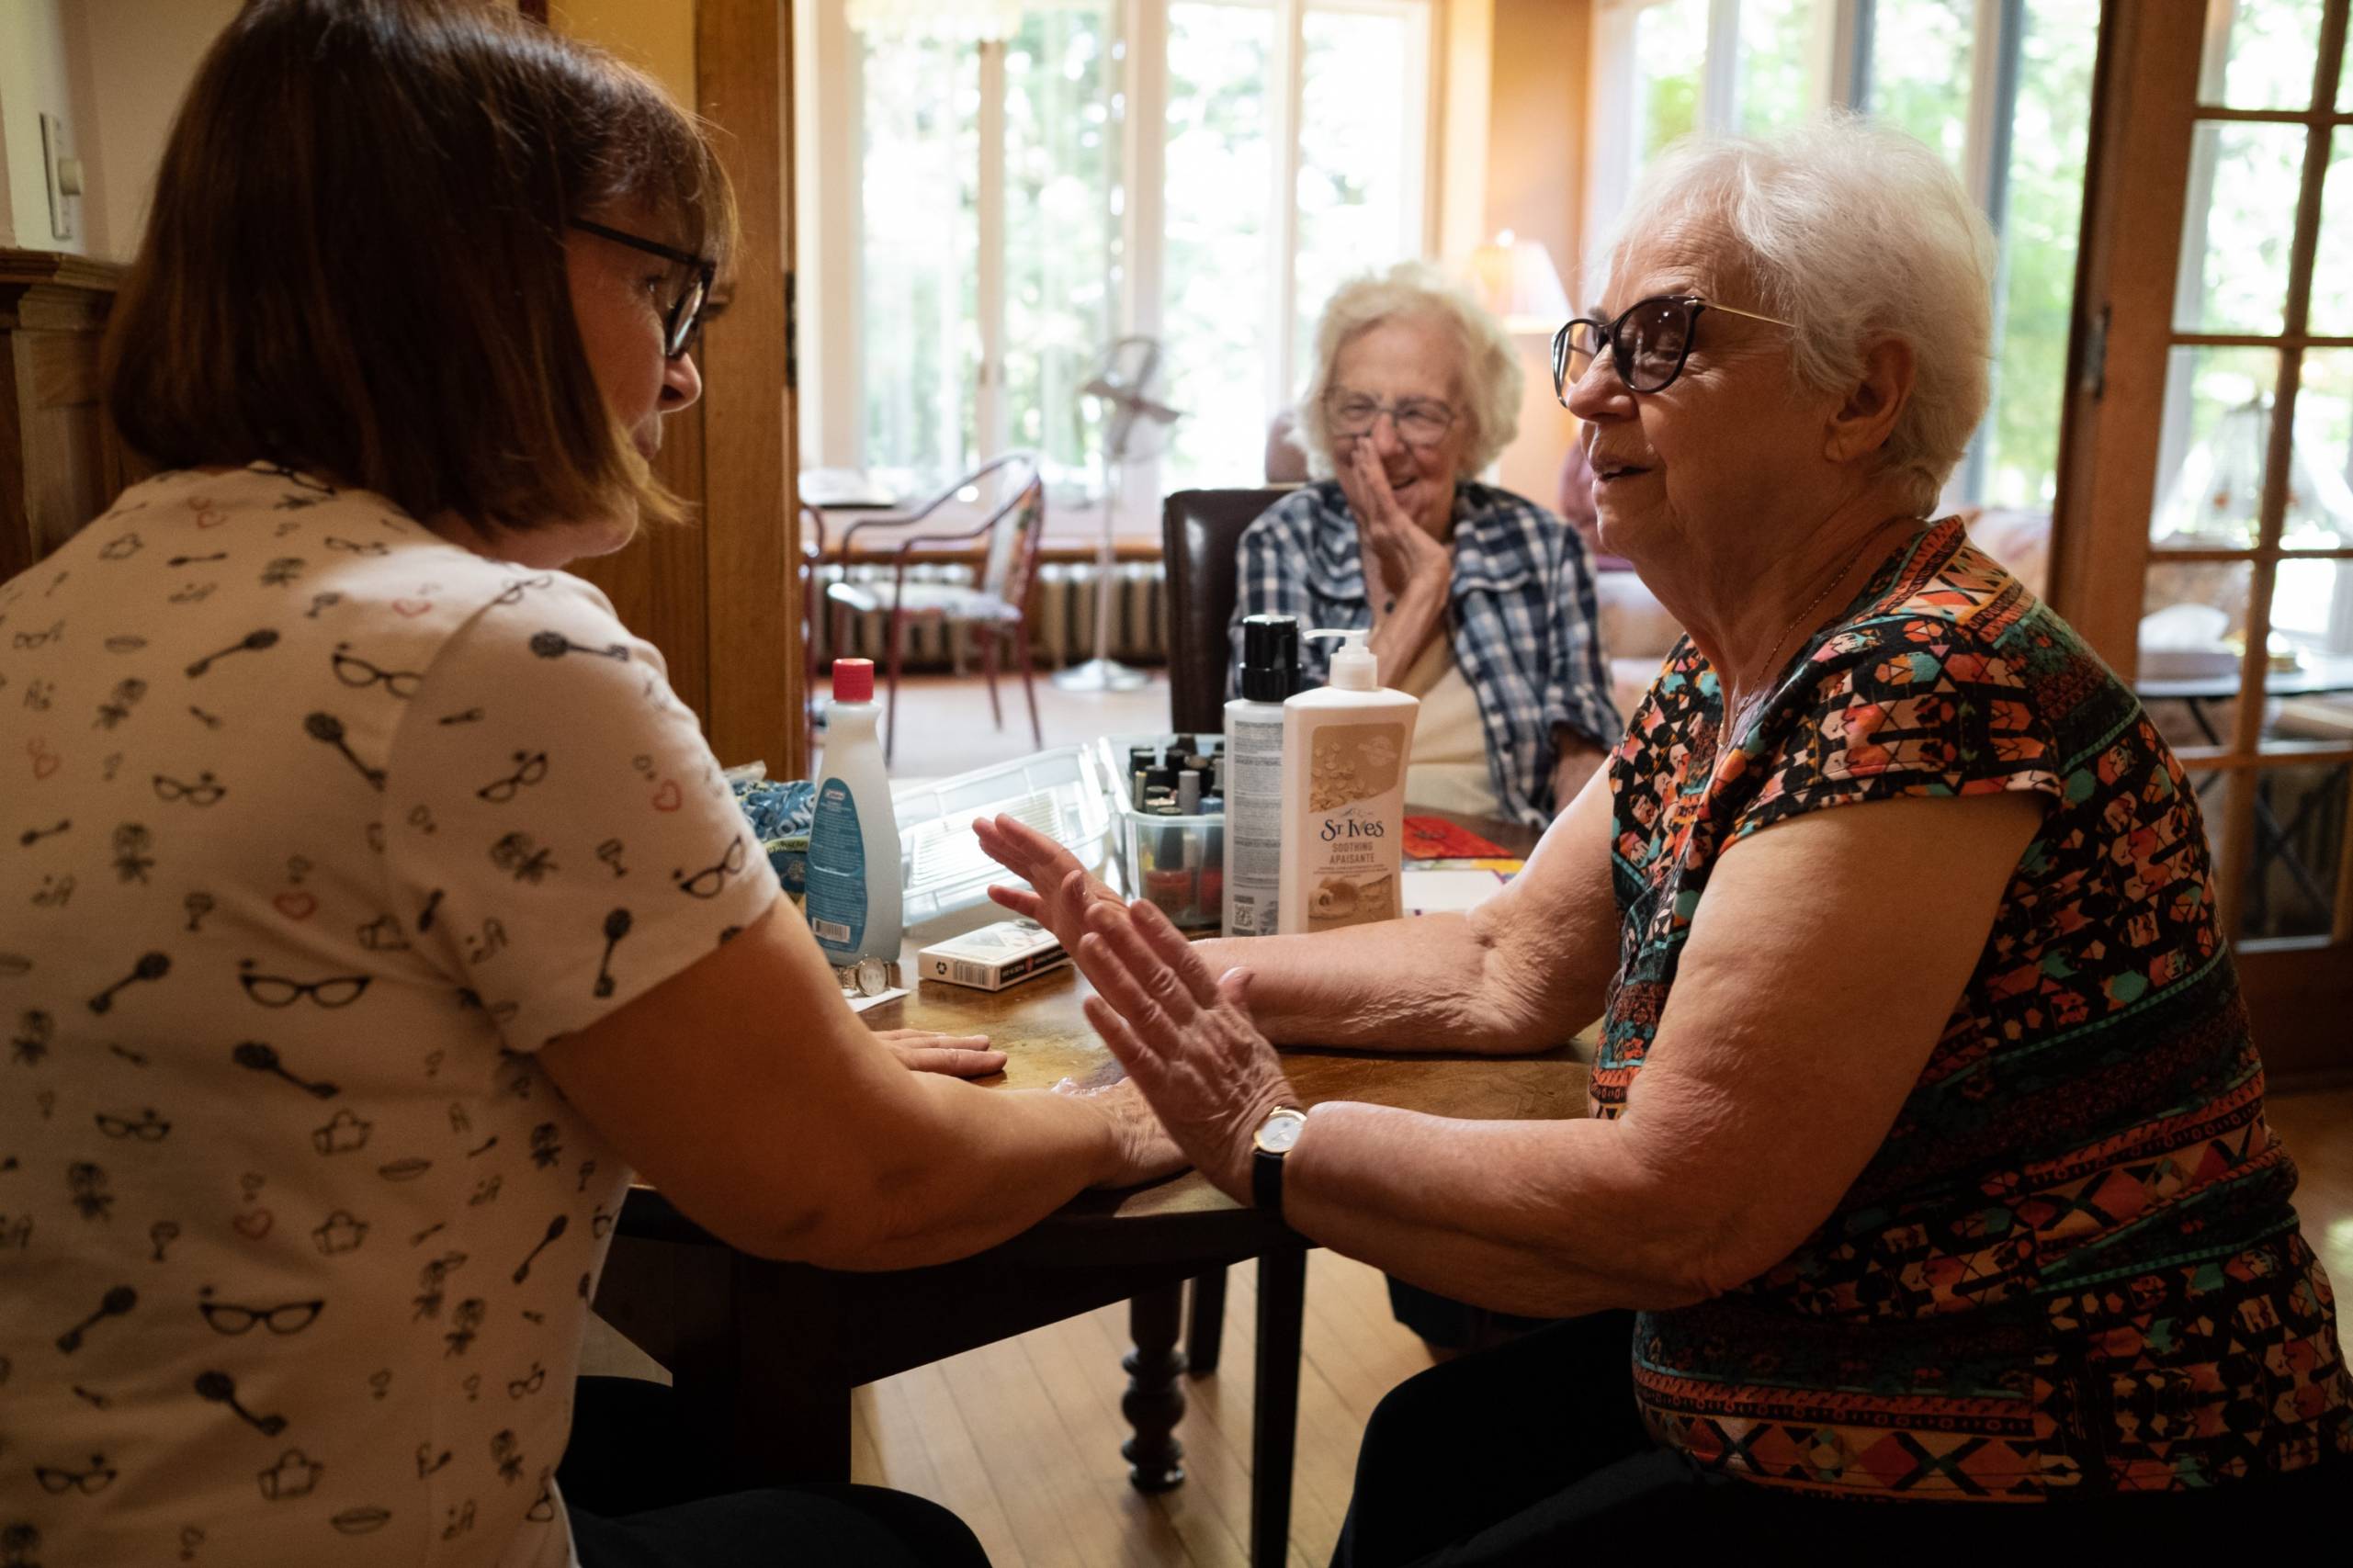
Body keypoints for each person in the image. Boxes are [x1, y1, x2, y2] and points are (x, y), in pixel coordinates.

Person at [982, 116, 2348, 1556]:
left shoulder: (1930, 680)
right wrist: (1161, 974)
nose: (1582, 392)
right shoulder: (1733, 664)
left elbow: (1677, 1208)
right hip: (1828, 1353)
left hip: (2071, 1445)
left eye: (1657, 341)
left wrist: (1268, 1133)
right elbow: (1506, 964)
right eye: (1592, 339)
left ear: (1861, 395)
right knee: (1430, 1443)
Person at [0, 5, 1175, 1566]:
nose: (683, 380)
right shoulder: (487, 654)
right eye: (660, 288)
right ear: (467, 271)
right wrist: (1119, 1120)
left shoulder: (63, 596)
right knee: (908, 1547)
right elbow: (854, 1189)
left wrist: (800, 1071)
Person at [1230, 263, 1618, 828]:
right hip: (1327, 854)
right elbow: (1282, 771)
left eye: (1418, 413)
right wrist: (1424, 589)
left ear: (1473, 428)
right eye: (1357, 409)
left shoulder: (1544, 548)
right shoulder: (1284, 542)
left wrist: (1550, 885)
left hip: (1500, 867)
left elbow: (1585, 747)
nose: (1384, 445)